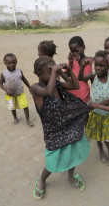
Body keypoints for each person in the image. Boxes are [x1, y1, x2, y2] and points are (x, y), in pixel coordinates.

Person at [31, 56, 90, 199]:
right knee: (52, 162)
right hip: (54, 132)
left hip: (68, 126)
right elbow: (48, 92)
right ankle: (42, 179)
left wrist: (67, 70)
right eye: (50, 72)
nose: (55, 75)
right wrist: (55, 72)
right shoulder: (36, 88)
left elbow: (75, 85)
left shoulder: (56, 84)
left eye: (55, 72)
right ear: (39, 74)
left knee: (72, 155)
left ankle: (70, 175)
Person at [78, 50, 109, 166]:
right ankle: (101, 151)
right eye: (96, 65)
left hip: (108, 114)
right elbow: (81, 77)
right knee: (98, 136)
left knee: (108, 138)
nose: (98, 68)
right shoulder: (93, 77)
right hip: (96, 113)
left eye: (101, 65)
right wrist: (82, 66)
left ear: (108, 65)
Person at [0, 53, 34, 126]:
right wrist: (6, 90)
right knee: (12, 107)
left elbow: (24, 79)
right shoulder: (3, 73)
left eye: (13, 63)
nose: (11, 65)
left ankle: (27, 120)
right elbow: (0, 84)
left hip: (20, 92)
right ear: (5, 63)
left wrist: (29, 87)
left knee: (25, 106)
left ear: (16, 62)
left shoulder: (19, 71)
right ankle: (15, 117)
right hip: (9, 94)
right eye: (9, 63)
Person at [66, 36, 93, 103]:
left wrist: (79, 62)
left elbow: (85, 77)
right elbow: (67, 76)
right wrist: (70, 63)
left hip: (83, 96)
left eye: (76, 50)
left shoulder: (88, 61)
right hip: (71, 95)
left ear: (83, 47)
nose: (74, 53)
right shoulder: (72, 61)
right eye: (72, 51)